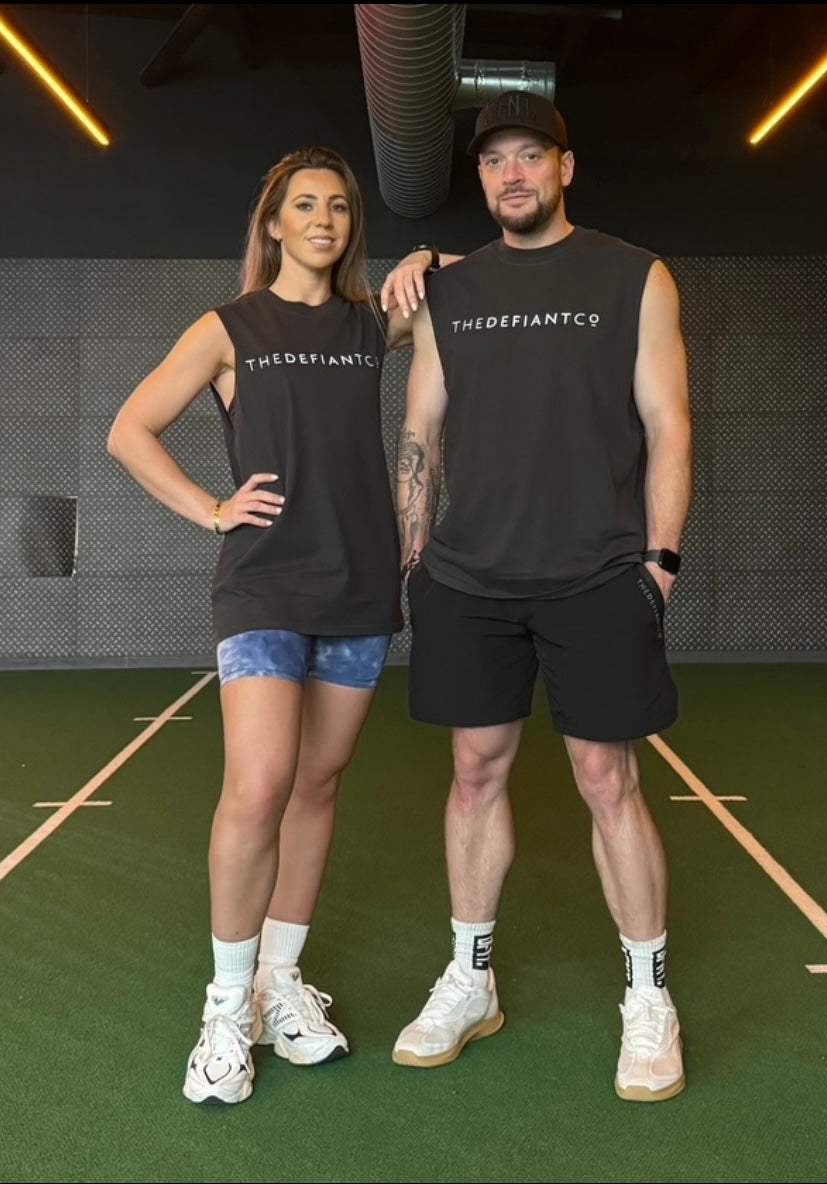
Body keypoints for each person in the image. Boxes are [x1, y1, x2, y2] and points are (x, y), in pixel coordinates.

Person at [107, 146, 430, 1105]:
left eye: (339, 205)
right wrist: (210, 508)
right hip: (263, 588)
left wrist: (431, 261)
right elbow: (130, 429)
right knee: (257, 787)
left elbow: (464, 282)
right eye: (305, 205)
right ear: (274, 224)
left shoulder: (371, 325)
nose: (325, 218)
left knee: (317, 785)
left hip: (362, 585)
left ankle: (282, 984)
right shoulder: (229, 327)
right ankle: (225, 1005)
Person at [386, 90, 693, 1102]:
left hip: (598, 571)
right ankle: (469, 977)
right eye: (493, 161)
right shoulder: (449, 291)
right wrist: (411, 551)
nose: (511, 174)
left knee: (606, 778)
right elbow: (420, 417)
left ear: (566, 166)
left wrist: (658, 560)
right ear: (479, 178)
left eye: (531, 156)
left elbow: (667, 419)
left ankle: (648, 997)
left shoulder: (633, 273)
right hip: (468, 576)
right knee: (474, 768)